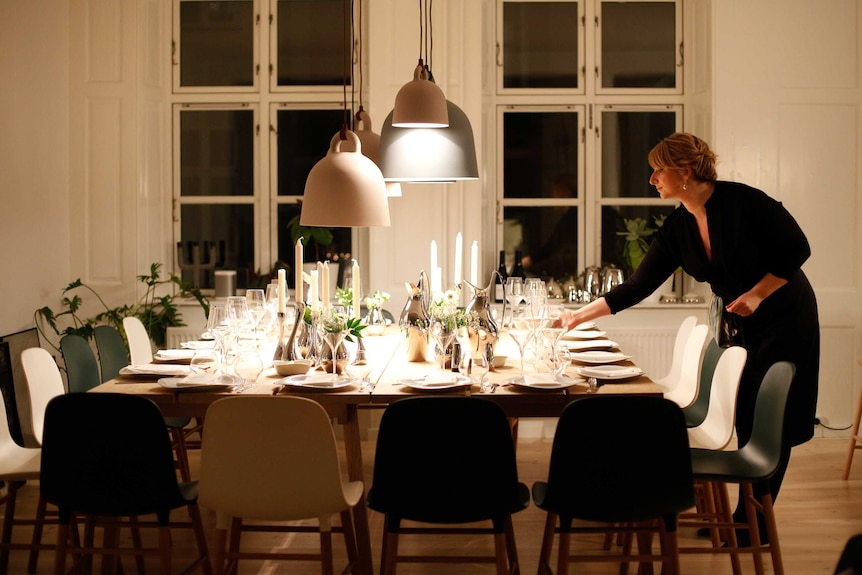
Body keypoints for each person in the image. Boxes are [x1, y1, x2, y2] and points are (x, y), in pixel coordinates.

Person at [564, 132, 820, 544]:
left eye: (657, 171)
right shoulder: (679, 226)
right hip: (742, 318)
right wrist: (578, 315)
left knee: (772, 417)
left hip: (785, 313)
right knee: (745, 411)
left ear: (684, 172)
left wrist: (756, 295)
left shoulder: (745, 202)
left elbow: (798, 249)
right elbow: (637, 286)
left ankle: (754, 524)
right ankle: (745, 518)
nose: (651, 180)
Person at [521, 174, 578, 280]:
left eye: (555, 192)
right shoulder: (567, 219)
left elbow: (559, 255)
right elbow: (548, 250)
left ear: (564, 193)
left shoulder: (571, 221)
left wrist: (535, 268)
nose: (552, 196)